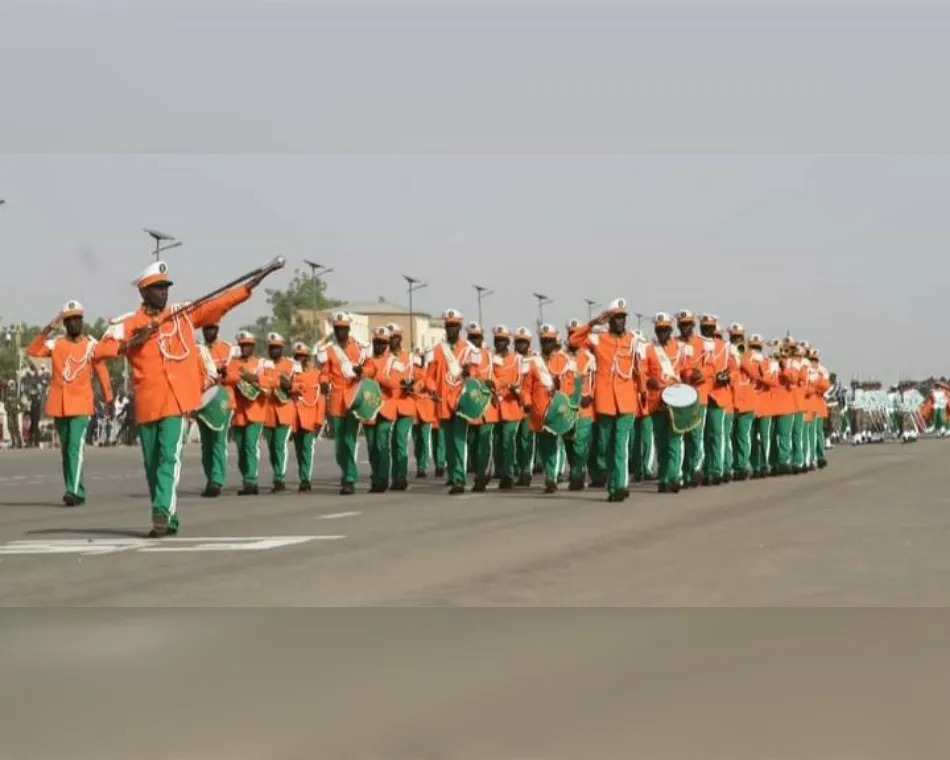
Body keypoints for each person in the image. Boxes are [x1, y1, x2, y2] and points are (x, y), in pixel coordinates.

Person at [95, 261, 269, 537]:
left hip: (178, 403)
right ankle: (169, 516)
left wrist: (250, 286)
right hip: (150, 403)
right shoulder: (128, 323)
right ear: (144, 293)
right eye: (157, 288)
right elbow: (99, 351)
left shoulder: (182, 314)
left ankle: (161, 511)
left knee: (169, 457)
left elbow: (219, 304)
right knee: (152, 464)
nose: (164, 293)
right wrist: (131, 342)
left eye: (166, 287)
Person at [26, 300, 113, 505]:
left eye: (77, 319)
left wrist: (108, 397)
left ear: (82, 321)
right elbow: (32, 350)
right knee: (66, 451)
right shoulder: (56, 344)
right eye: (70, 320)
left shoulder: (91, 345)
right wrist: (49, 328)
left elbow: (101, 371)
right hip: (60, 405)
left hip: (81, 406)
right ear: (64, 323)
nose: (74, 323)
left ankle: (72, 491)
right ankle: (78, 490)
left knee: (75, 447)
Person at [569, 299, 640, 502]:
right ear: (609, 320)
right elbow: (574, 341)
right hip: (606, 402)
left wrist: (642, 394)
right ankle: (614, 483)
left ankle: (620, 485)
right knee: (606, 446)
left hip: (626, 401)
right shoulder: (599, 339)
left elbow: (639, 370)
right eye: (615, 318)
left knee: (620, 445)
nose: (619, 322)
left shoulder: (633, 340)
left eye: (622, 318)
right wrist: (593, 323)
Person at [316, 312, 369, 495]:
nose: (340, 333)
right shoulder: (330, 351)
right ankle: (347, 470)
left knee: (349, 439)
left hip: (354, 398)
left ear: (348, 329)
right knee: (339, 444)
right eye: (337, 329)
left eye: (343, 329)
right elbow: (324, 371)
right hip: (337, 399)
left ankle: (350, 478)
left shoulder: (359, 348)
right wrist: (323, 381)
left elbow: (370, 367)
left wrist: (363, 371)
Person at [425, 309, 475, 495]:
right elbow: (429, 377)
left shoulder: (469, 350)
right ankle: (453, 475)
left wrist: (470, 373)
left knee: (458, 440)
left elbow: (476, 375)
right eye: (448, 326)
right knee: (448, 442)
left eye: (454, 325)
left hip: (461, 401)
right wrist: (432, 390)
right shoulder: (438, 350)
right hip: (443, 402)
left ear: (460, 327)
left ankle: (460, 478)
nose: (451, 329)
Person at [522, 324, 576, 493]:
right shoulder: (534, 363)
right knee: (543, 446)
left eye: (549, 341)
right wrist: (526, 402)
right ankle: (549, 472)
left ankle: (551, 477)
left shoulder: (563, 360)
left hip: (555, 412)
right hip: (538, 412)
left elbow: (572, 386)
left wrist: (561, 387)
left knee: (553, 443)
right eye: (544, 341)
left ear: (555, 342)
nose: (546, 344)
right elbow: (526, 387)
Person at [642, 312, 686, 494]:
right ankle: (664, 477)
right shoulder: (649, 349)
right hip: (657, 402)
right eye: (659, 330)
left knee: (675, 439)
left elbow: (687, 371)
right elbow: (642, 372)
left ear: (670, 330)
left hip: (675, 400)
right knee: (660, 442)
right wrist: (649, 380)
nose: (661, 333)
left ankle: (674, 476)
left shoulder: (680, 348)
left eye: (665, 330)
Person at [225, 331, 271, 495]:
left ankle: (250, 480)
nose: (245, 349)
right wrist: (239, 376)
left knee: (250, 446)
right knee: (241, 450)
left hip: (255, 412)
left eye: (248, 346)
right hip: (239, 414)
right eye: (242, 346)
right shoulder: (233, 363)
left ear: (253, 347)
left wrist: (255, 378)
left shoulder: (261, 363)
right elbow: (227, 378)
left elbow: (273, 381)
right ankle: (247, 477)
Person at [699, 314, 738, 486]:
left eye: (710, 328)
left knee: (717, 434)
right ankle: (704, 469)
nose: (707, 331)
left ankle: (717, 469)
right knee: (703, 436)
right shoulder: (695, 344)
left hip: (718, 395)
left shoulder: (725, 347)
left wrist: (727, 376)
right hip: (701, 395)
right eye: (704, 327)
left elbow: (735, 369)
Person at [675, 310, 712, 488]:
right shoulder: (675, 344)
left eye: (688, 324)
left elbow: (711, 366)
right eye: (682, 325)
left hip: (699, 395)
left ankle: (696, 468)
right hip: (682, 395)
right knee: (682, 434)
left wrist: (701, 374)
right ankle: (682, 472)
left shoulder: (703, 344)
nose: (686, 328)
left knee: (697, 435)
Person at [460, 321, 495, 492]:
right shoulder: (462, 356)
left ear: (482, 338)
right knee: (472, 442)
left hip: (486, 406)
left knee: (484, 442)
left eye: (477, 337)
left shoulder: (489, 356)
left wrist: (491, 383)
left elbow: (498, 377)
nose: (474, 340)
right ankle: (476, 470)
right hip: (469, 408)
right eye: (471, 337)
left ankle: (483, 474)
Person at [262, 332, 296, 493]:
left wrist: (287, 385)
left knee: (280, 445)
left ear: (282, 349)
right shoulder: (264, 366)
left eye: (277, 348)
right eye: (271, 348)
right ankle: (277, 473)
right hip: (268, 412)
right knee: (271, 447)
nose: (274, 351)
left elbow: (296, 385)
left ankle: (279, 478)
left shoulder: (291, 365)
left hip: (284, 411)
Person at [564, 319, 595, 491]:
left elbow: (596, 381)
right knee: (569, 443)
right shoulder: (562, 357)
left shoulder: (590, 358)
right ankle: (576, 470)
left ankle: (578, 474)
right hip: (566, 408)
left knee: (579, 443)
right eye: (571, 334)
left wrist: (589, 395)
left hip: (584, 409)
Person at [363, 327, 394, 493]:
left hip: (386, 407)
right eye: (377, 342)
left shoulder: (393, 361)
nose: (379, 346)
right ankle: (375, 477)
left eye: (383, 343)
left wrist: (377, 376)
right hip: (369, 408)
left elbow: (394, 383)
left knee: (382, 444)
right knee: (371, 445)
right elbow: (363, 376)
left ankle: (382, 479)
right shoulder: (368, 360)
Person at [290, 341, 323, 491]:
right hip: (294, 418)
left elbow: (320, 398)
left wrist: (319, 419)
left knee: (307, 449)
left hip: (309, 417)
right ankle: (302, 475)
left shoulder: (316, 374)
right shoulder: (291, 375)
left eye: (302, 357)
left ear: (308, 358)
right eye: (297, 357)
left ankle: (305, 479)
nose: (300, 359)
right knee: (298, 450)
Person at [728, 323, 757, 481]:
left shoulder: (749, 355)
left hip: (746, 402)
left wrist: (742, 358)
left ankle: (742, 465)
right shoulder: (727, 353)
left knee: (742, 435)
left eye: (739, 337)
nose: (736, 340)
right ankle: (731, 464)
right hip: (731, 400)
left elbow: (754, 373)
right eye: (733, 337)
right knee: (730, 436)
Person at [511, 327, 537, 486]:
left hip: (528, 406)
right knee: (515, 441)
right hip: (514, 405)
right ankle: (518, 469)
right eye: (518, 342)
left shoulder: (534, 361)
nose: (520, 346)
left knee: (526, 440)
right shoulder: (512, 360)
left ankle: (526, 470)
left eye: (523, 342)